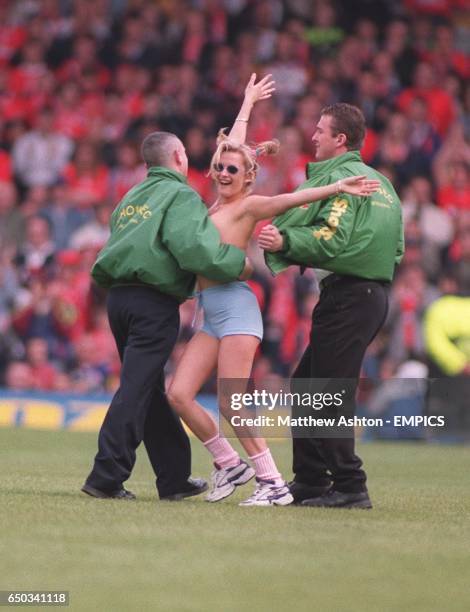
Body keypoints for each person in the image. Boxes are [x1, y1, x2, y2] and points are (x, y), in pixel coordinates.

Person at [167, 77, 380, 506]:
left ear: (248, 177)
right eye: (220, 168)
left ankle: (273, 483)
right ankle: (229, 464)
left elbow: (287, 200)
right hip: (210, 312)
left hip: (239, 310)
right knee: (178, 394)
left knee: (231, 401)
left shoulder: (249, 205)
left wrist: (338, 187)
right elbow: (235, 148)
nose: (225, 172)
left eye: (234, 170)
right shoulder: (215, 205)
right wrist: (245, 103)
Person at [82, 130, 251, 501]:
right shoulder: (180, 194)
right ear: (178, 155)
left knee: (150, 389)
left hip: (119, 300)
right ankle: (106, 476)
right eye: (187, 152)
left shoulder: (132, 196)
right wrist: (240, 262)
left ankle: (173, 478)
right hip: (153, 303)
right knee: (136, 387)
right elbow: (194, 251)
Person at [259, 103, 404, 509]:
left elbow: (332, 237)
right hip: (370, 295)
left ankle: (350, 485)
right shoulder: (384, 184)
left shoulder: (342, 179)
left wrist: (287, 243)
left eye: (321, 130)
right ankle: (309, 480)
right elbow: (397, 248)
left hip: (349, 297)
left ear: (341, 139)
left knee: (325, 394)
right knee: (307, 386)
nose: (314, 136)